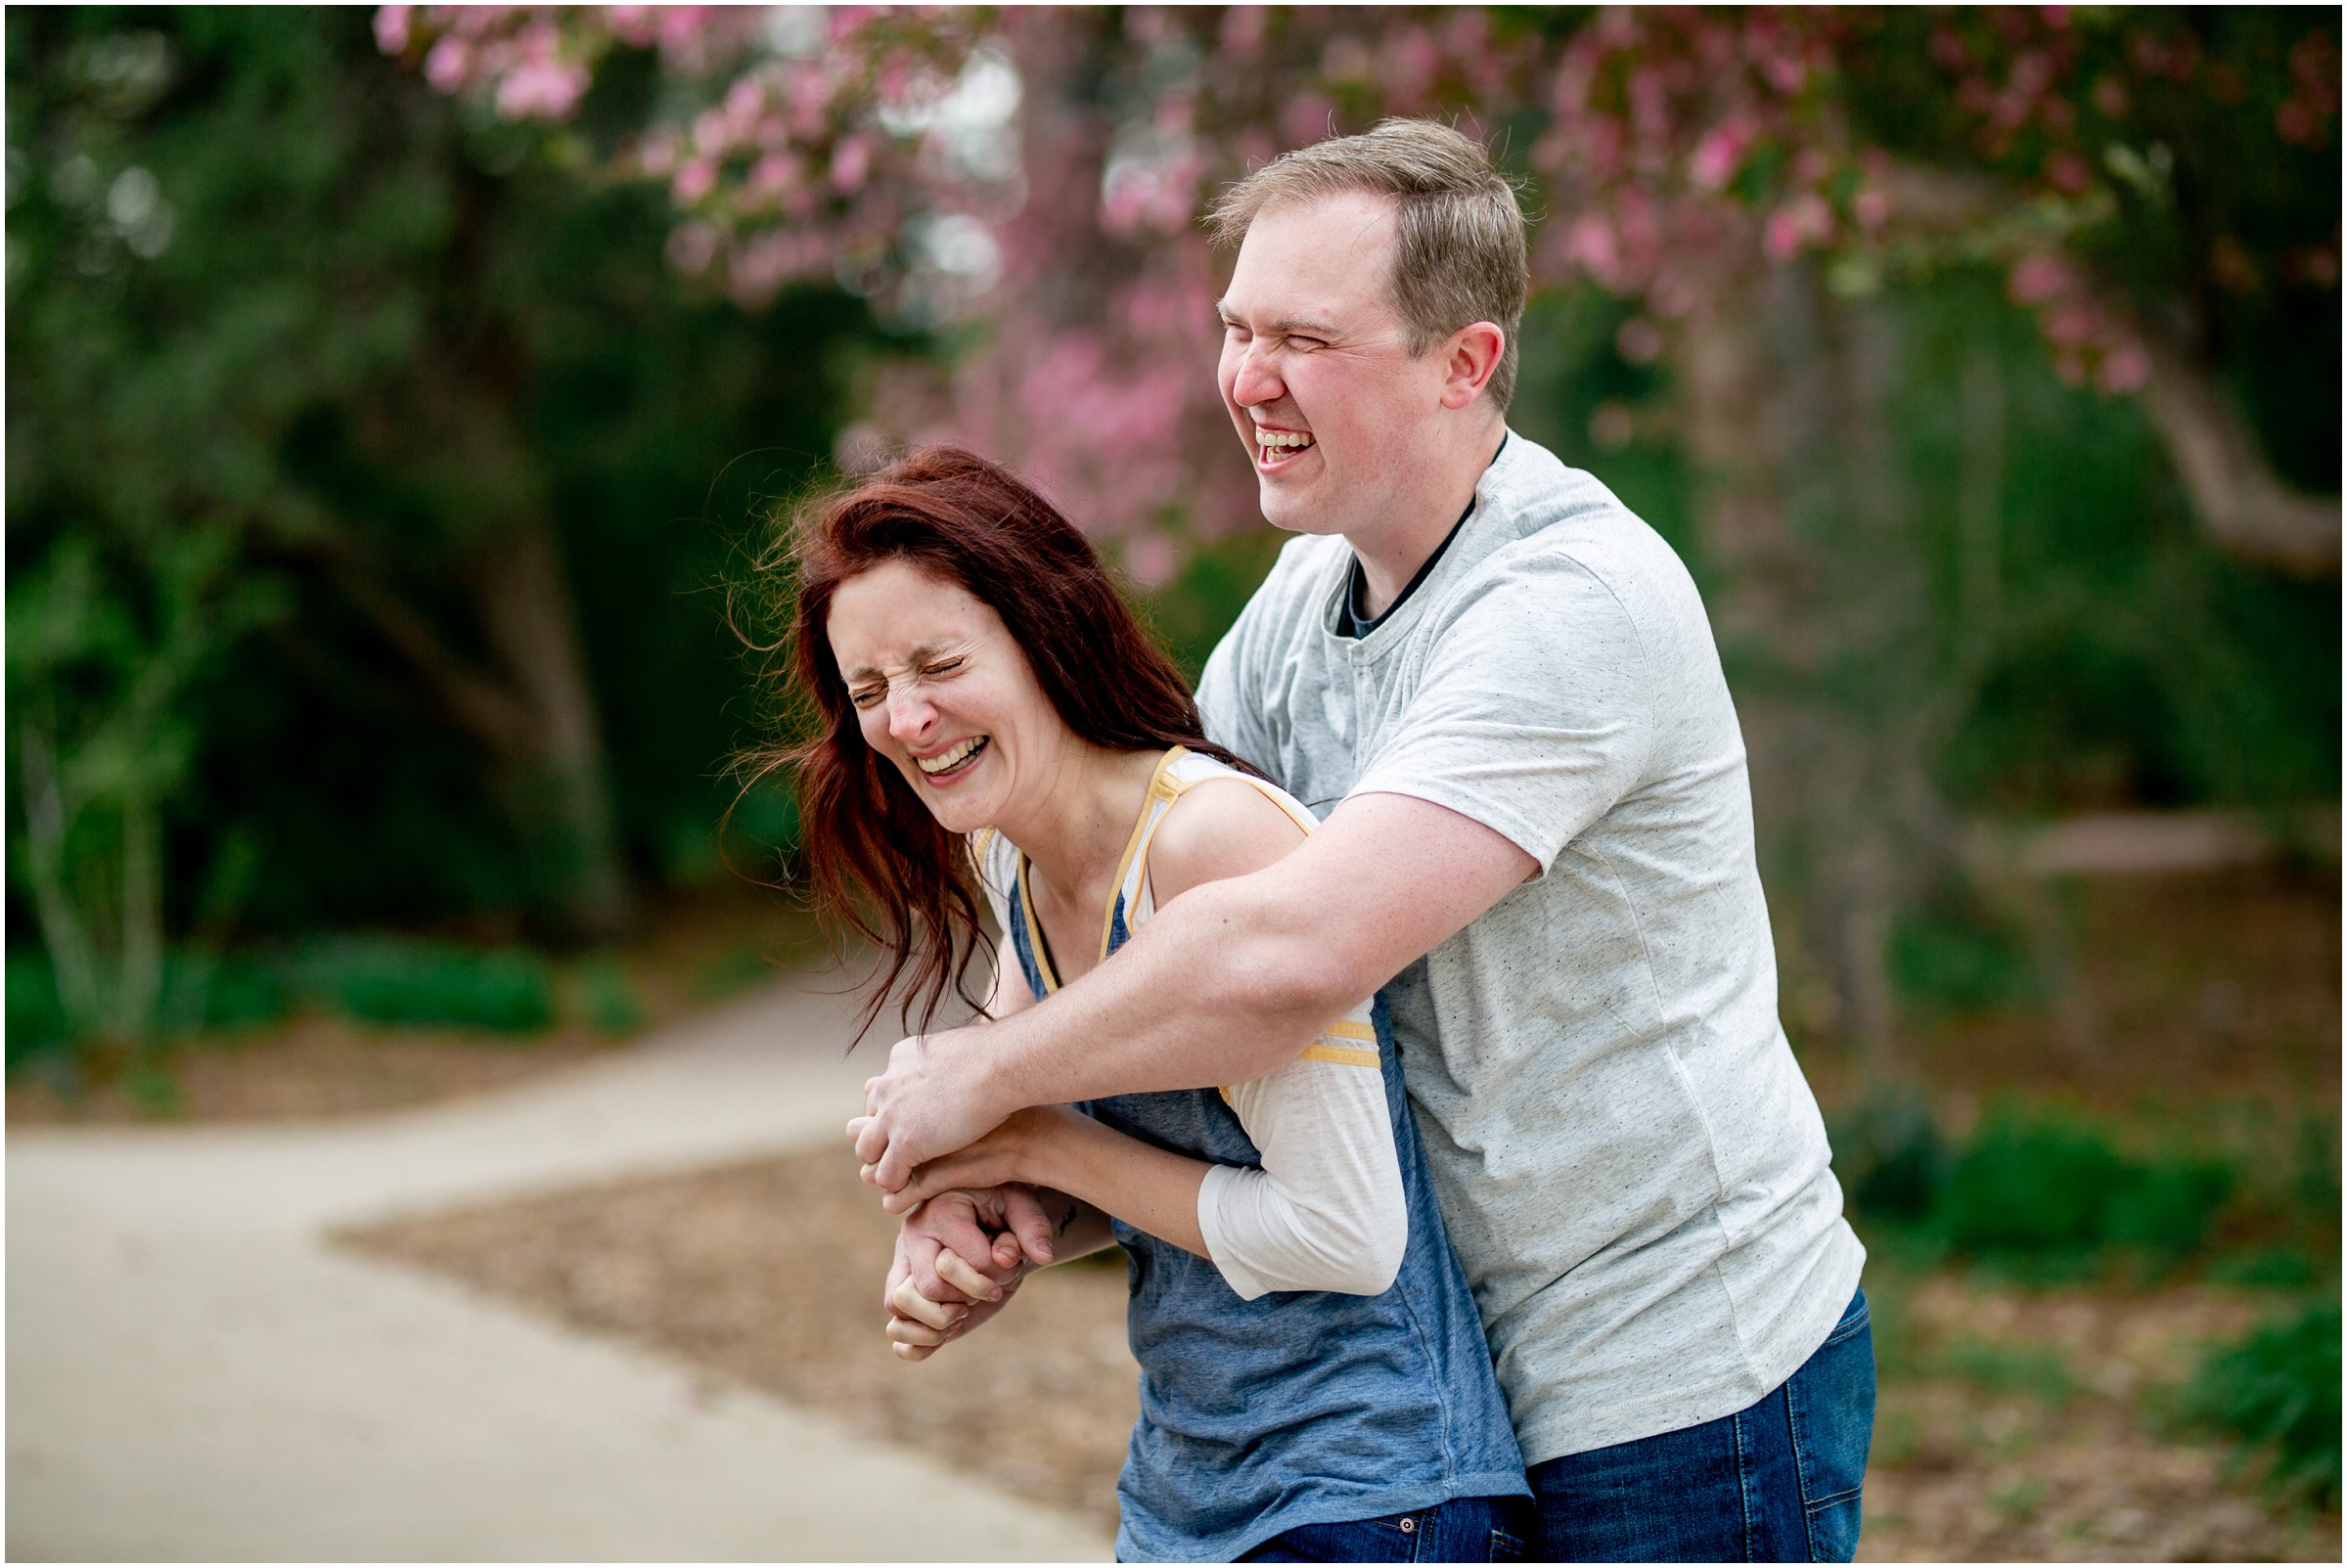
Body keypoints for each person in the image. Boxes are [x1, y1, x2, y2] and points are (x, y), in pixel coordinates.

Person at [856, 120, 1877, 1562]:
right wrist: (983, 1184)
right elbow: (1146, 897)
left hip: (1679, 1373)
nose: (1246, 379)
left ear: (1461, 362)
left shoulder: (1567, 603)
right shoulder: (1298, 604)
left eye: (1303, 337)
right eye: (1234, 328)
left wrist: (981, 1079)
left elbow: (1285, 950)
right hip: (1457, 1385)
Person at [773, 444, 1530, 1562]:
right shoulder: (1007, 860)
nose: (907, 719)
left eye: (937, 663)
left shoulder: (1205, 840)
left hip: (1372, 1492)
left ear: (1040, 632)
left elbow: (1345, 1233)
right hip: (1184, 1494)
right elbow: (1134, 1169)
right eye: (869, 689)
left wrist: (1033, 1143)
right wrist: (971, 1220)